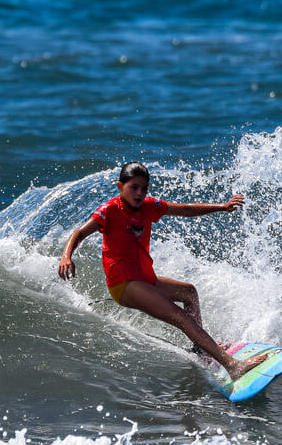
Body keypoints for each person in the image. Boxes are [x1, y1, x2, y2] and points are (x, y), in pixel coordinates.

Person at [58, 161, 266, 380]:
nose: (139, 193)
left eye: (144, 188)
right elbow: (79, 233)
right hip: (124, 283)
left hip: (145, 278)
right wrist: (66, 256)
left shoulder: (149, 206)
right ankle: (232, 366)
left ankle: (200, 348)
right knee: (182, 318)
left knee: (189, 293)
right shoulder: (109, 211)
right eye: (134, 187)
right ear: (120, 187)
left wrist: (222, 207)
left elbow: (185, 210)